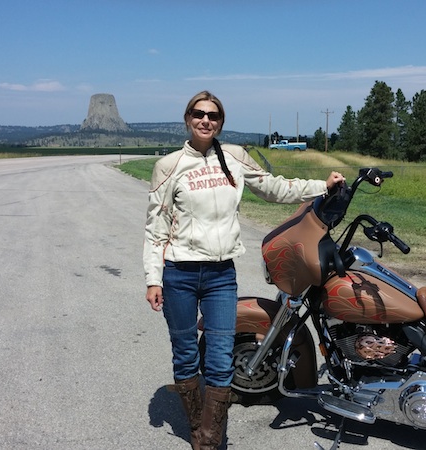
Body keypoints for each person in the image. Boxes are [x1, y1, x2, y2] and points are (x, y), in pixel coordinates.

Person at [143, 90, 344, 450]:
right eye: (199, 114)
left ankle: (209, 438)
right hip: (180, 274)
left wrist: (322, 188)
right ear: (188, 119)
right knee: (186, 352)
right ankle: (196, 428)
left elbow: (274, 187)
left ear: (220, 122)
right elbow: (156, 229)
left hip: (221, 274)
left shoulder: (235, 157)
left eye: (214, 116)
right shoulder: (168, 165)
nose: (206, 120)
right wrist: (152, 278)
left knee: (220, 358)